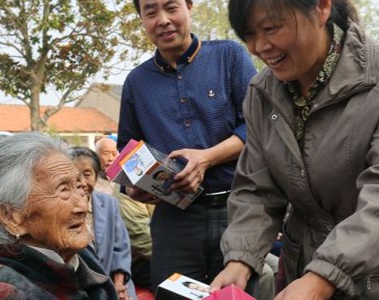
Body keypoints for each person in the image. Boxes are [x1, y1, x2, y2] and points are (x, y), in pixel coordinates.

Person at [210, 0, 379, 299]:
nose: (260, 47)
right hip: (301, 267)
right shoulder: (262, 94)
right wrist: (241, 257)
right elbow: (256, 188)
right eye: (249, 34)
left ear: (321, 8)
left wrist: (323, 277)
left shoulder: (373, 79)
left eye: (271, 28)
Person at [118, 0, 258, 295]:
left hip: (238, 211)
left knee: (238, 294)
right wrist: (135, 187)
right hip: (174, 222)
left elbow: (258, 127)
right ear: (142, 18)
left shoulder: (229, 57)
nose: (163, 20)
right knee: (173, 295)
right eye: (151, 12)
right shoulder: (136, 83)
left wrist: (206, 158)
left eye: (171, 8)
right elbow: (126, 155)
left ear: (189, 7)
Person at [0, 132, 117, 299]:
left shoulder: (83, 259)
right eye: (63, 190)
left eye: (79, 186)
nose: (83, 207)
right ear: (11, 217)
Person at [67, 146, 138, 300]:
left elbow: (121, 248)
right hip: (82, 285)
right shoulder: (62, 208)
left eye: (87, 174)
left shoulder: (109, 203)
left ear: (96, 175)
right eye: (75, 176)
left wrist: (119, 283)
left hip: (115, 278)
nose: (82, 182)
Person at [95, 137, 154, 291]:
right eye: (105, 153)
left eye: (113, 153)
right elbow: (139, 235)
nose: (110, 158)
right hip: (141, 259)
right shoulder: (124, 187)